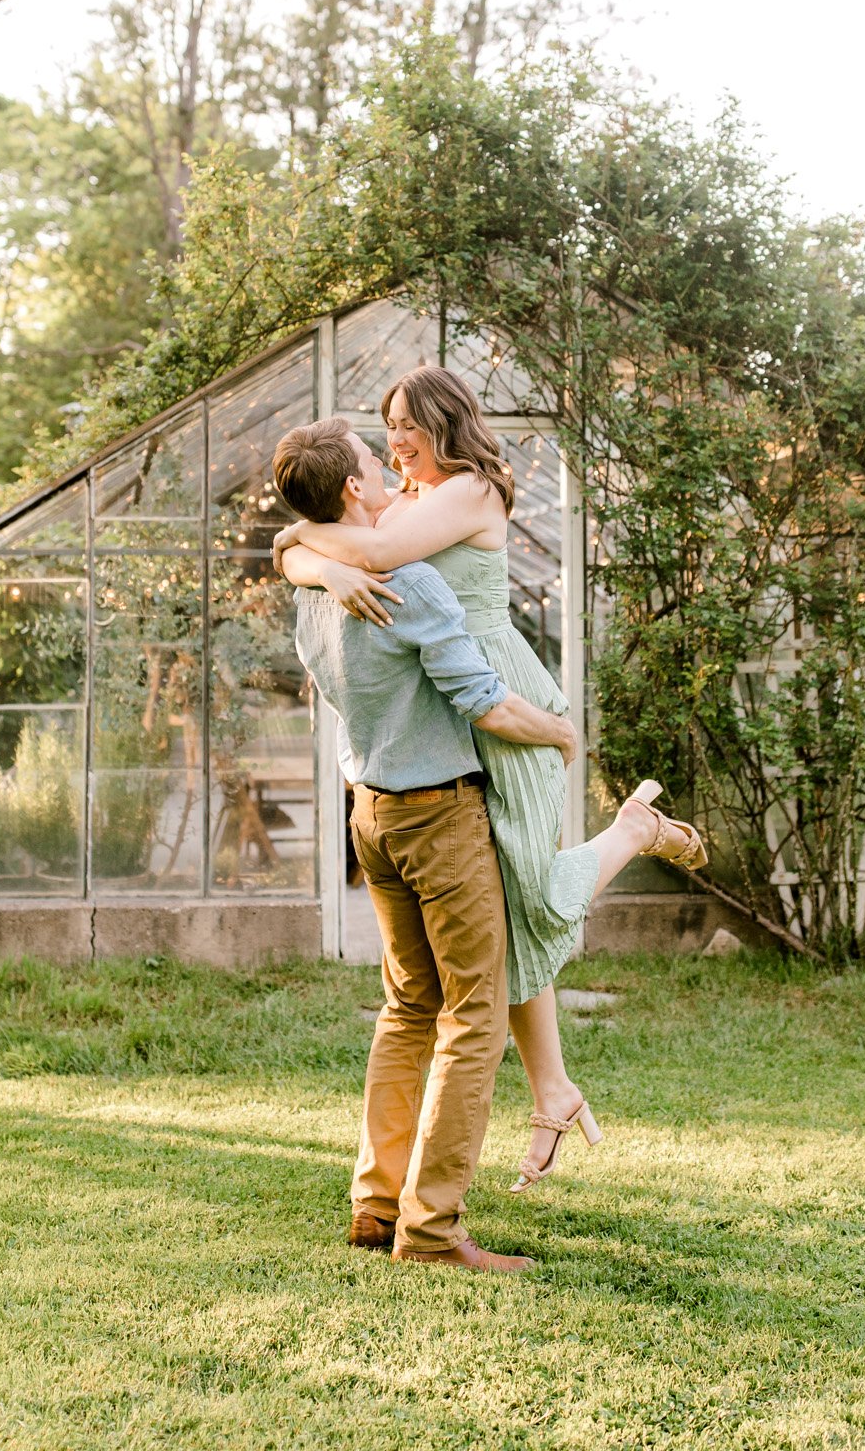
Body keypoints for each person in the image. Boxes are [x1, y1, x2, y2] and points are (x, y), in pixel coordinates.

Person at [275, 367, 706, 1194]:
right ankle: (551, 1089)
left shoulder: (470, 490)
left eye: (409, 424)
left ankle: (633, 832)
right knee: (505, 898)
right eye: (387, 426)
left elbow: (360, 547)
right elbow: (317, 541)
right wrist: (312, 561)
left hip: (495, 694)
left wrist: (313, 553)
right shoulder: (399, 499)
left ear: (446, 422)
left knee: (530, 894)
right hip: (447, 698)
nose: (397, 439)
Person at [272, 416, 575, 1272]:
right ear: (354, 492)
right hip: (438, 818)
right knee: (473, 1015)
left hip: (369, 816)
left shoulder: (313, 590)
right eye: (376, 459)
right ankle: (433, 1231)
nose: (390, 466)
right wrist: (557, 732)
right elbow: (485, 702)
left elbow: (293, 552)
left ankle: (376, 1204)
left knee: (408, 1007)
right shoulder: (411, 584)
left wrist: (316, 556)